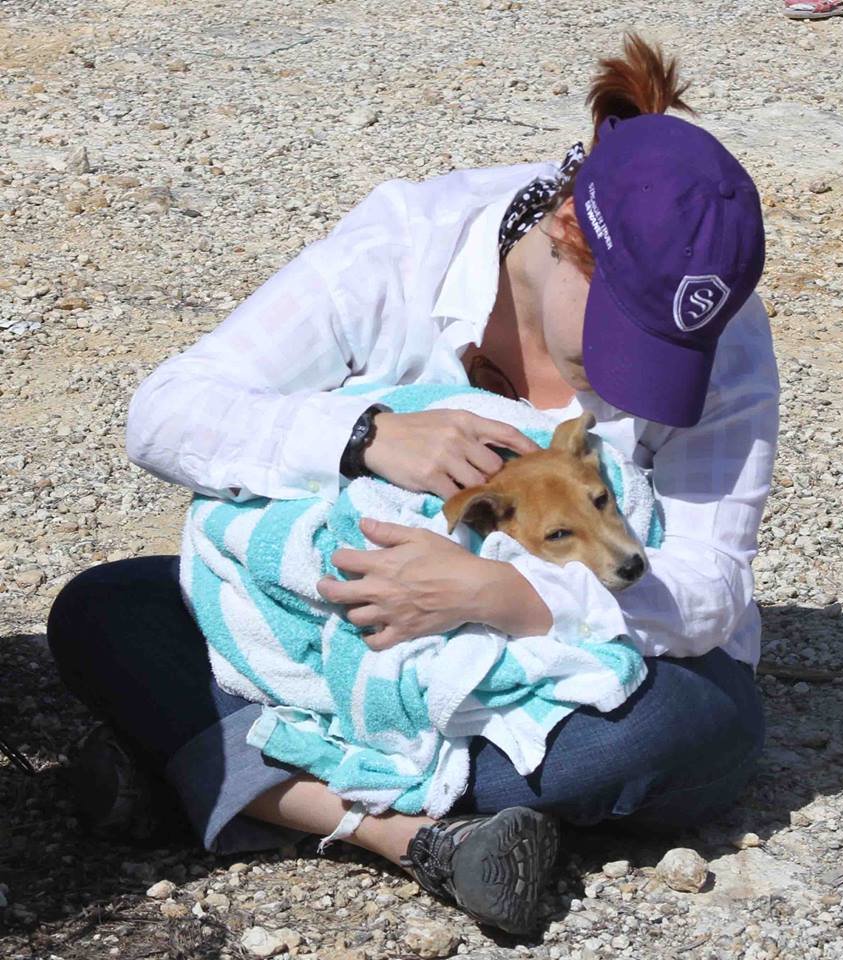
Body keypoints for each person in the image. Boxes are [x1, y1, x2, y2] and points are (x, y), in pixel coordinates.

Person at [46, 34, 779, 935]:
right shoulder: (407, 242)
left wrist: (508, 595)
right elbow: (165, 411)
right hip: (348, 645)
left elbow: (706, 591)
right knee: (105, 610)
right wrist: (365, 435)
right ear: (563, 230)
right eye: (622, 345)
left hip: (551, 665)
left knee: (690, 729)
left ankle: (253, 785)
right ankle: (403, 829)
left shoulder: (717, 325)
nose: (637, 384)